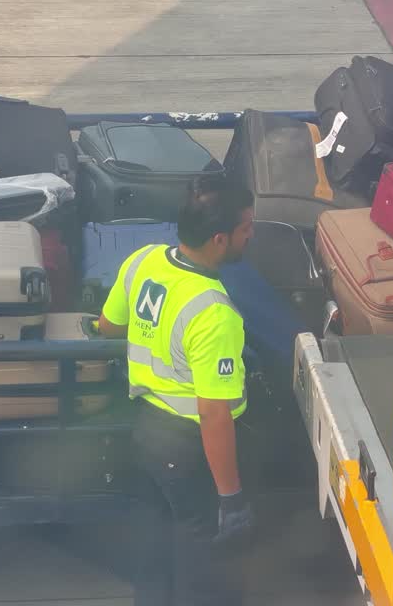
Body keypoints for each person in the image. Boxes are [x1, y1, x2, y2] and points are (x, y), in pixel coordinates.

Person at [95, 174, 256, 606]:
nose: (251, 235)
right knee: (202, 551)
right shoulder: (213, 311)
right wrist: (231, 495)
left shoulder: (143, 260)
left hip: (145, 430)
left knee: (154, 542)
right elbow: (213, 413)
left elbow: (109, 325)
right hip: (189, 449)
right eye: (246, 229)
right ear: (220, 240)